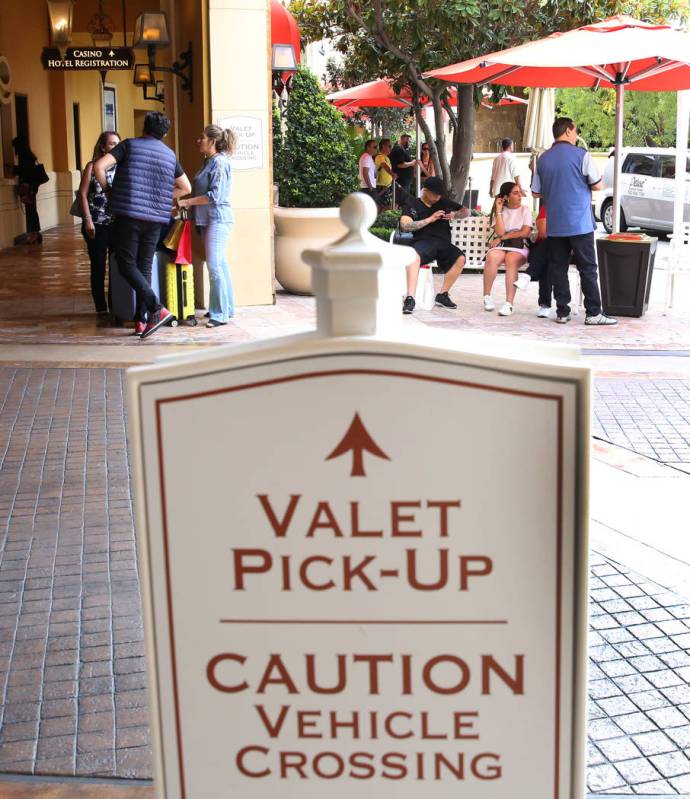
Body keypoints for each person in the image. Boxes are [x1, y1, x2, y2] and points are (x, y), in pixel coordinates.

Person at [94, 111, 191, 339]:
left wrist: (110, 192)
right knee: (144, 266)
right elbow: (185, 187)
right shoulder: (169, 155)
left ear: (143, 128)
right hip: (156, 220)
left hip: (129, 215)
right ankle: (141, 320)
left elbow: (99, 167)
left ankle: (156, 308)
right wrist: (159, 198)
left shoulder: (129, 146)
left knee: (125, 264)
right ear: (164, 133)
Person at [531, 117, 617, 325]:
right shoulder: (582, 155)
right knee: (587, 268)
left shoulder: (542, 159)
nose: (576, 135)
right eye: (575, 131)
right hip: (580, 223)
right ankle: (593, 313)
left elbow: (535, 193)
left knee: (558, 267)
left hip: (555, 224)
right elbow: (597, 185)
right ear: (568, 131)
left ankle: (562, 311)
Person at [177, 125, 236, 328]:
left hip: (217, 218)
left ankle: (219, 315)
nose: (198, 140)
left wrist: (186, 202)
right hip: (207, 220)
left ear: (212, 141)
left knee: (214, 265)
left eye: (201, 137)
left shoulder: (219, 163)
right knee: (220, 264)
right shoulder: (208, 162)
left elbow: (215, 196)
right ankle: (226, 308)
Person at [399, 176, 469, 314]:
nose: (437, 197)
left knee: (460, 258)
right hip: (423, 242)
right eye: (435, 193)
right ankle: (410, 298)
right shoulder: (412, 203)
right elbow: (405, 225)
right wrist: (430, 219)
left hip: (443, 243)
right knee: (413, 256)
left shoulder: (443, 202)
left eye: (439, 194)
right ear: (425, 190)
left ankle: (443, 294)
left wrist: (455, 215)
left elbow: (466, 211)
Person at [78, 130, 120, 318]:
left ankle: (115, 304)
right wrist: (87, 220)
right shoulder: (92, 166)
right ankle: (101, 307)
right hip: (95, 223)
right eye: (112, 143)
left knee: (116, 266)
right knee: (98, 266)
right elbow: (82, 194)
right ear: (103, 146)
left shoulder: (122, 166)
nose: (115, 147)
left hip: (117, 224)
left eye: (118, 143)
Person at [482, 181, 533, 317]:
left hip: (519, 244)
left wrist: (503, 238)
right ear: (506, 197)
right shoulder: (501, 211)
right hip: (503, 245)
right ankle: (487, 296)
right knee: (492, 256)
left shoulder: (525, 210)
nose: (520, 196)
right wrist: (498, 211)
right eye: (515, 193)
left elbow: (525, 232)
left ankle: (509, 304)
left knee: (511, 259)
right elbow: (499, 232)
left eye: (520, 193)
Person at [513, 203, 553, 317]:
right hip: (542, 250)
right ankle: (545, 304)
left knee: (550, 247)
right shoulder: (548, 206)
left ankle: (527, 276)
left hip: (563, 248)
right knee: (547, 258)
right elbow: (543, 232)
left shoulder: (574, 206)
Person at [12, 137, 42, 244]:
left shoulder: (25, 157)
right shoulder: (29, 156)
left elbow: (25, 172)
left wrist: (14, 169)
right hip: (32, 186)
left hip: (28, 187)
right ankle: (35, 233)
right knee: (32, 209)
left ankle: (35, 233)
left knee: (31, 210)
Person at [375, 138, 395, 207]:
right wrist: (392, 174)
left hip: (386, 186)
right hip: (381, 186)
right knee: (383, 206)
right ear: (383, 146)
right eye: (389, 146)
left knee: (386, 206)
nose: (391, 148)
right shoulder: (379, 157)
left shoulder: (387, 158)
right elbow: (384, 166)